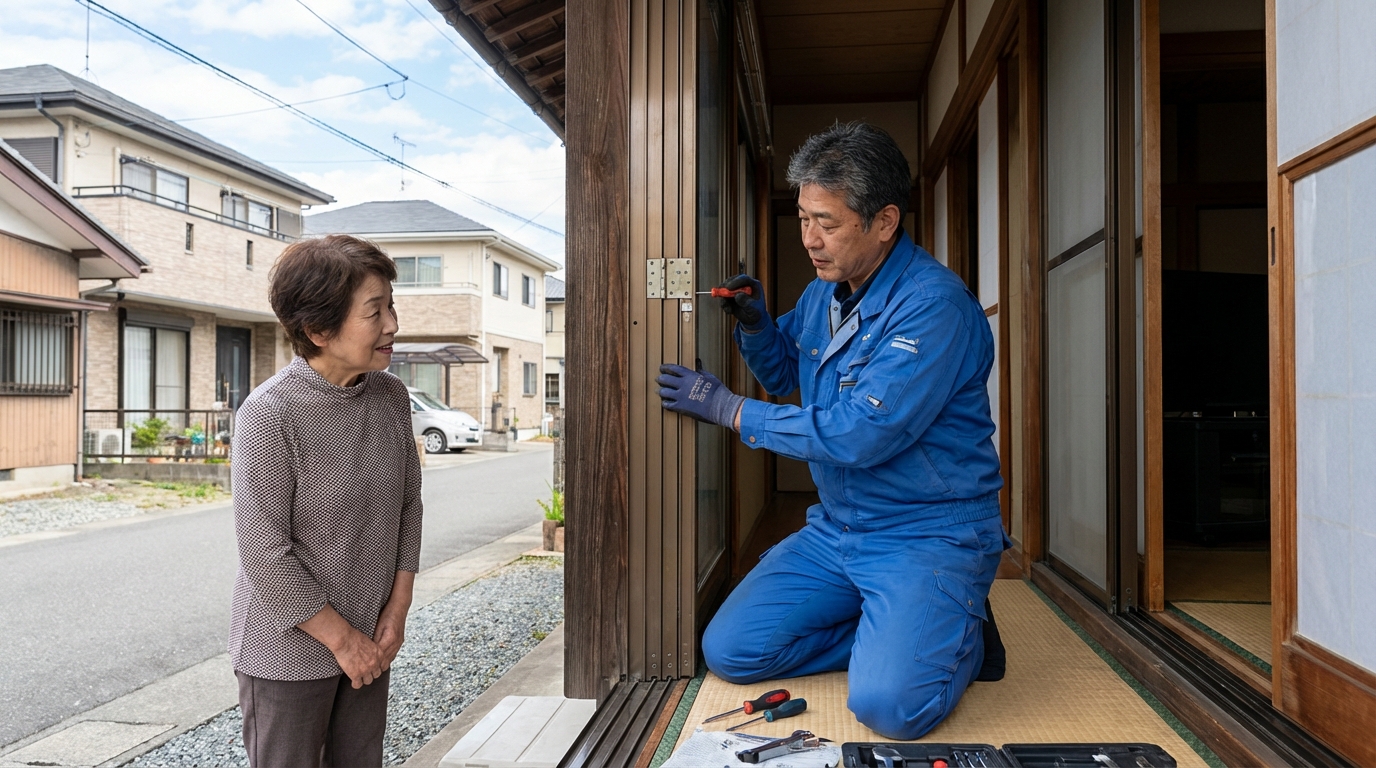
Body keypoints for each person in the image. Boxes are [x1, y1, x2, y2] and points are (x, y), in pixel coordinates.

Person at [656, 122, 1007, 740]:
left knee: (890, 709)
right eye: (803, 219)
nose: (810, 240)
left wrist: (730, 410)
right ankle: (905, 633)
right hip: (839, 529)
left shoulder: (934, 307)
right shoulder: (828, 291)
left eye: (826, 222)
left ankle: (957, 637)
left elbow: (859, 434)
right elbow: (787, 374)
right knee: (732, 651)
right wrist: (756, 325)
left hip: (927, 532)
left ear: (885, 221)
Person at [228, 234, 423, 767]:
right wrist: (344, 642)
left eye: (391, 306)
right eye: (374, 311)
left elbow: (408, 506)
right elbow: (265, 554)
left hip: (372, 638)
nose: (392, 325)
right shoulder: (269, 413)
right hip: (287, 651)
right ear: (318, 329)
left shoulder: (390, 396)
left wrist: (397, 609)